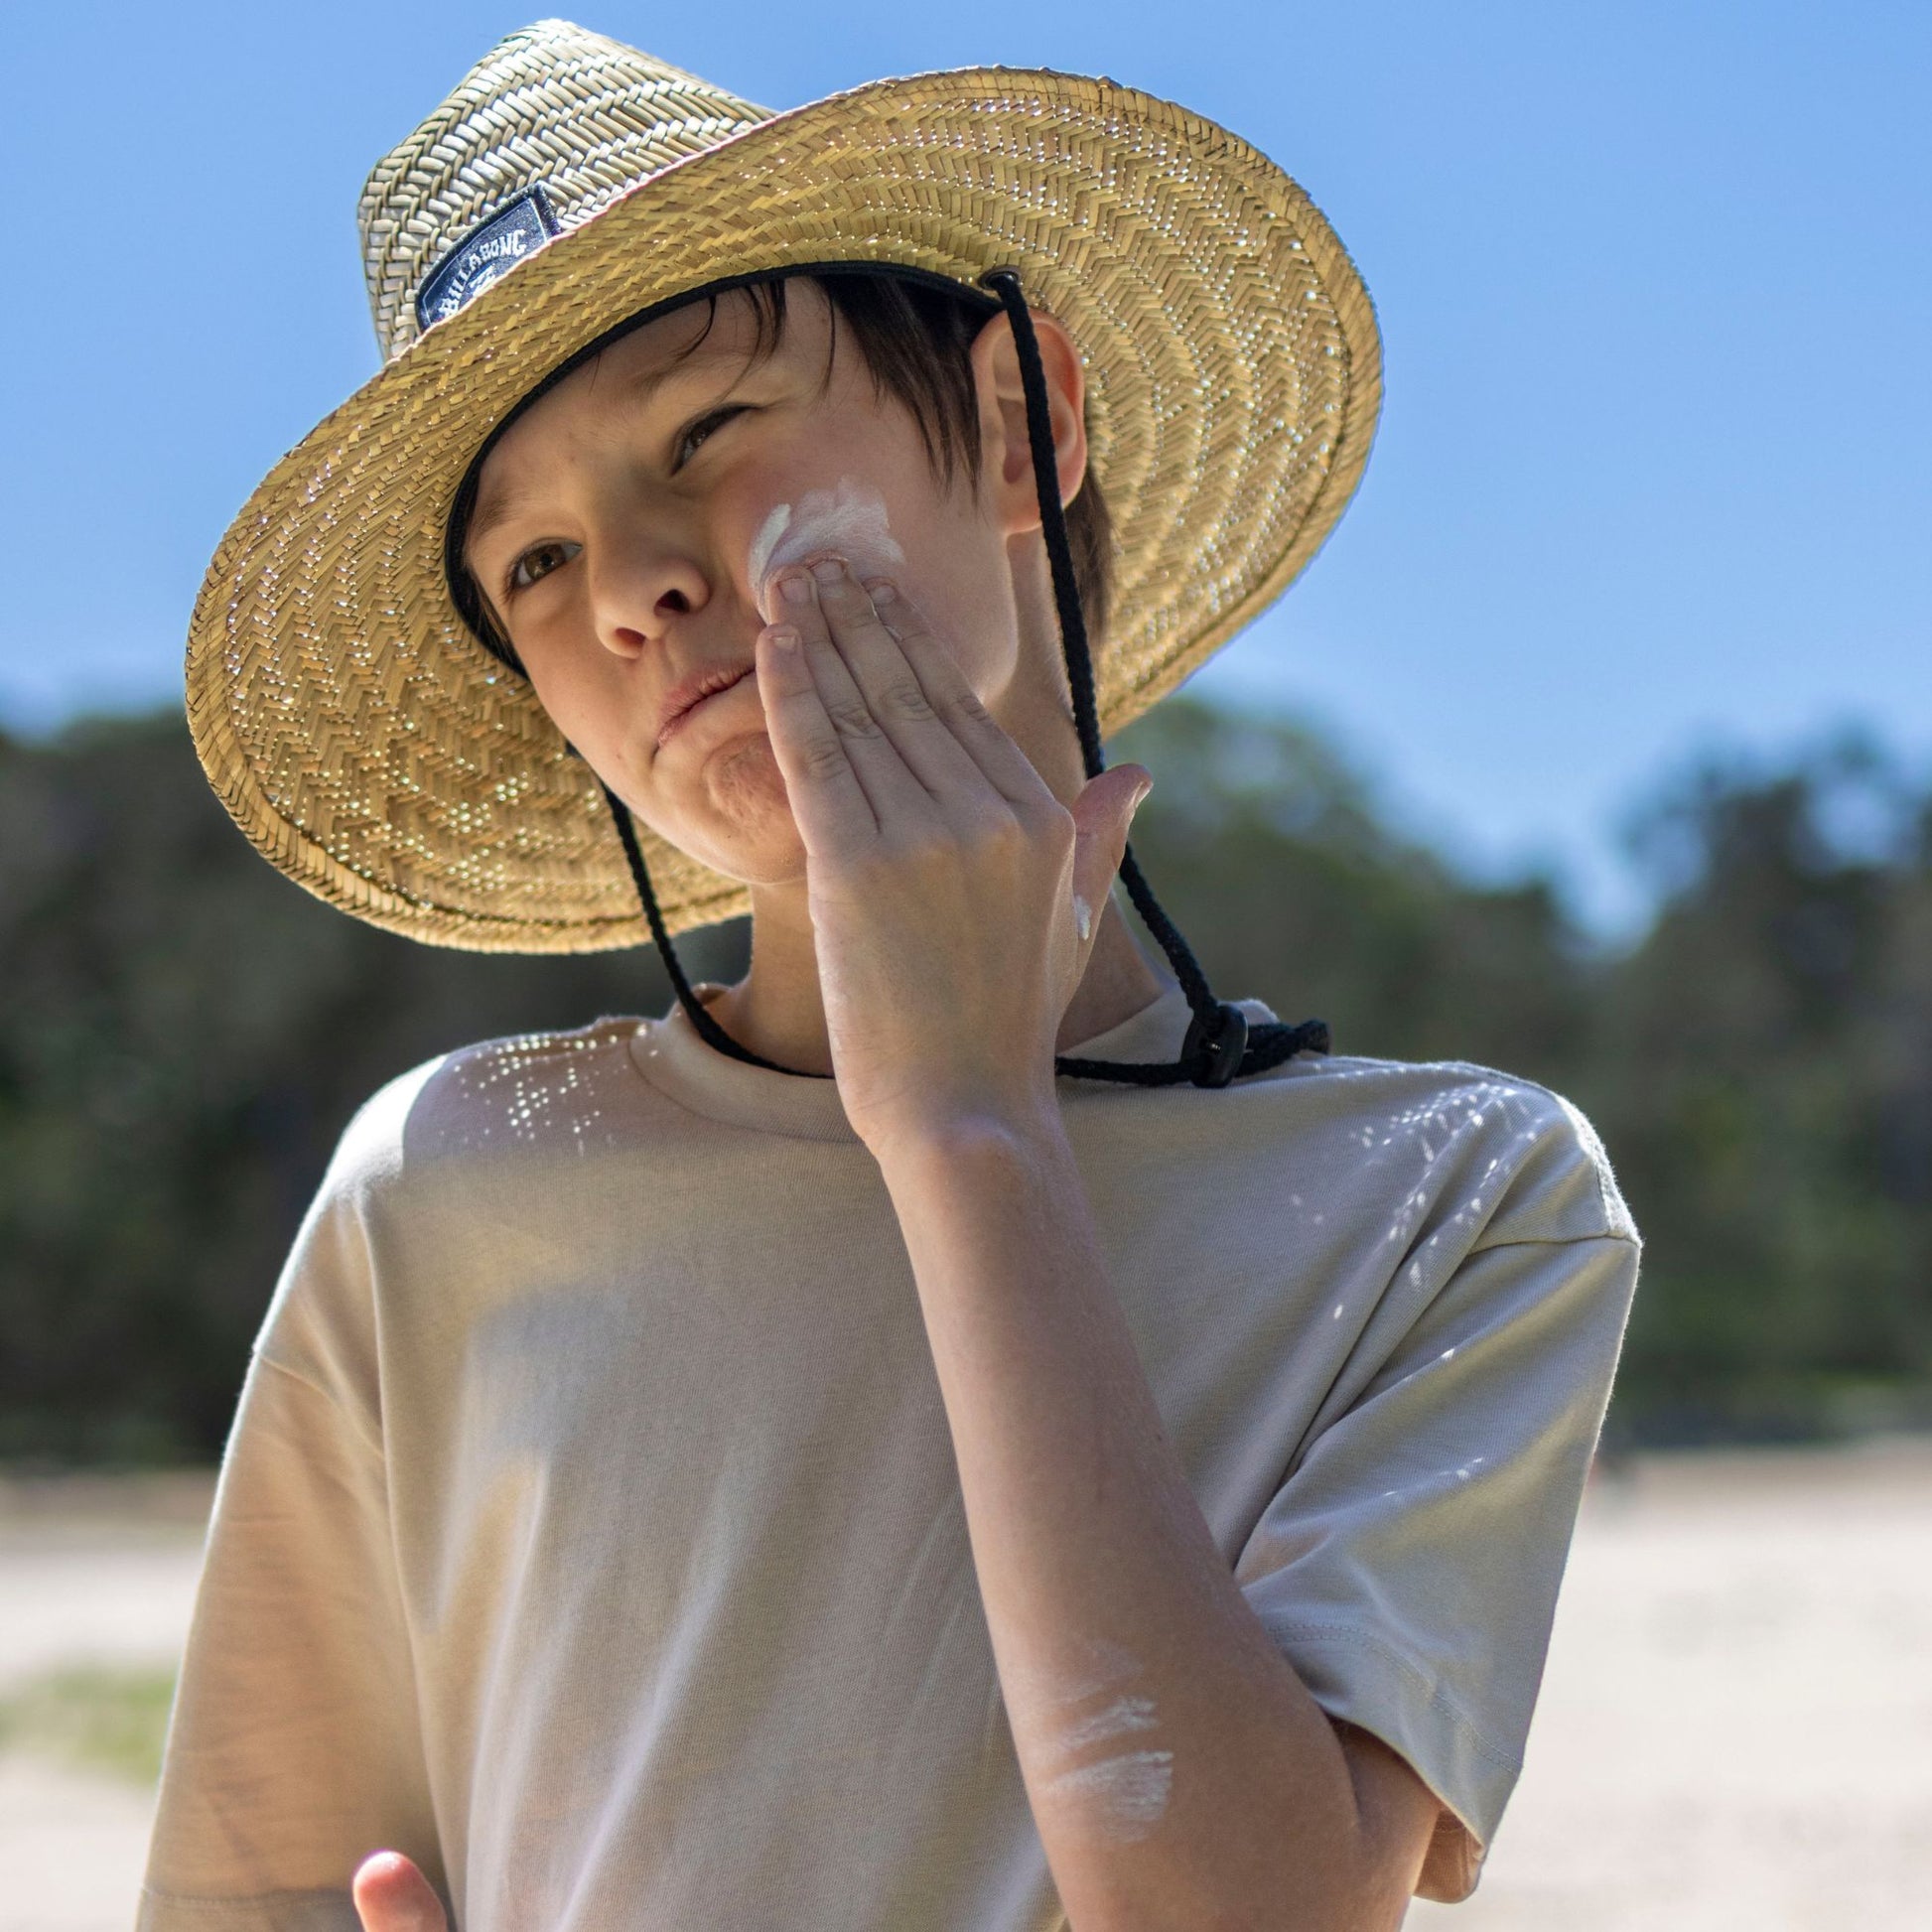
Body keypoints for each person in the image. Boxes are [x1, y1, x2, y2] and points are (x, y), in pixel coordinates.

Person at [142, 21, 1642, 1931]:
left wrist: (967, 1126)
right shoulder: (442, 1189)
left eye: (705, 433)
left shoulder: (1450, 1197)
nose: (631, 583)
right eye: (534, 563)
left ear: (1021, 421)